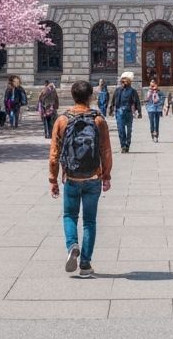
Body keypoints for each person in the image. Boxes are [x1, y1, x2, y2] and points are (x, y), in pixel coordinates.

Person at [48, 79, 113, 278]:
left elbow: (54, 154)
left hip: (72, 177)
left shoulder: (62, 120)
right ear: (91, 97)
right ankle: (85, 264)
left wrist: (53, 179)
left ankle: (72, 245)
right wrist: (106, 176)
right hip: (93, 176)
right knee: (90, 222)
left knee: (69, 216)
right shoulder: (98, 120)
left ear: (72, 96)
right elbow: (106, 151)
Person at [109, 73, 141, 152]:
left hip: (128, 112)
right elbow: (113, 100)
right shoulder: (118, 90)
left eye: (125, 81)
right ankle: (123, 145)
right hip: (119, 112)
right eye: (122, 81)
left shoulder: (132, 91)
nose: (123, 83)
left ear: (129, 82)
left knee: (129, 130)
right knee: (121, 129)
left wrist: (139, 112)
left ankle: (128, 144)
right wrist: (111, 109)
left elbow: (137, 101)